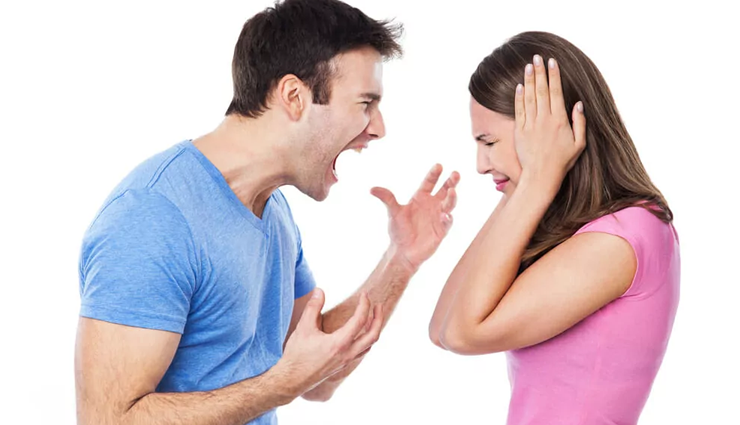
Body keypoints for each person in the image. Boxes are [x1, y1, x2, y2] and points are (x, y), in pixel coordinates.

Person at [75, 1, 459, 424]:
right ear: (294, 96)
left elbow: (318, 378)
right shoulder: (154, 216)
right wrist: (280, 385)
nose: (378, 128)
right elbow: (106, 419)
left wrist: (401, 259)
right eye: (365, 103)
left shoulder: (273, 210)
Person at [429, 31, 679, 425]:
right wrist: (526, 187)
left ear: (548, 131)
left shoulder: (622, 236)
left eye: (489, 142)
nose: (480, 164)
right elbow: (441, 328)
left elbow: (462, 334)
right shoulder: (585, 229)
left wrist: (535, 182)